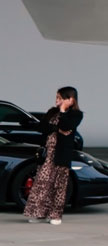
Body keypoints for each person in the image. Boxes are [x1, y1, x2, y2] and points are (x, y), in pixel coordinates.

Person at [24, 86, 83, 226]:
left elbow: (67, 126)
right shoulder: (51, 112)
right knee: (42, 184)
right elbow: (42, 127)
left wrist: (63, 112)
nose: (57, 101)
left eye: (61, 98)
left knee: (59, 185)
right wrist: (57, 128)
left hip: (62, 155)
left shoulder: (76, 115)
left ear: (71, 100)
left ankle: (55, 215)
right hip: (48, 154)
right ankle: (38, 213)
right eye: (57, 98)